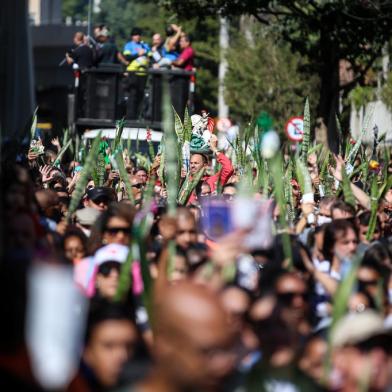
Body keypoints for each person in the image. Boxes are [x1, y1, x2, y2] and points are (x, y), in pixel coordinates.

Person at [187, 134, 234, 204]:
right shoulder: (185, 182)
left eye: (196, 163)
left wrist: (214, 149)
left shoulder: (213, 181)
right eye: (191, 163)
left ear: (205, 165)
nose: (192, 166)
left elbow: (228, 168)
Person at [123, 28, 150, 120]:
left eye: (139, 34)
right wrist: (138, 54)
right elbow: (127, 57)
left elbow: (151, 56)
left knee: (141, 95)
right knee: (132, 95)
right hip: (133, 73)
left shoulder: (145, 45)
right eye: (135, 35)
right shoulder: (129, 45)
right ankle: (131, 117)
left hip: (143, 74)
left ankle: (140, 116)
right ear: (132, 36)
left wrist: (146, 54)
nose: (137, 36)